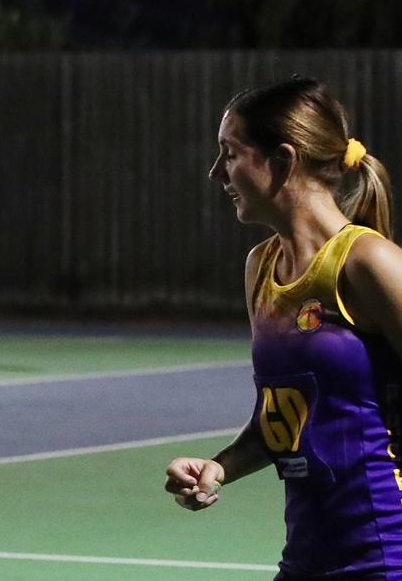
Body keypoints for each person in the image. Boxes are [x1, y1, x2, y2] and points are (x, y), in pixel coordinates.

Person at [164, 77, 402, 580]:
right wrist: (222, 466)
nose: (215, 172)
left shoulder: (368, 262)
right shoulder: (261, 268)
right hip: (308, 559)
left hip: (386, 555)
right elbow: (282, 422)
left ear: (283, 160)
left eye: (229, 153)